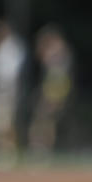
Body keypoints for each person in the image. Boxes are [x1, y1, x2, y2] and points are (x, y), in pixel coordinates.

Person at [0, 18, 28, 171]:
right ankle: (3, 154)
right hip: (3, 92)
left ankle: (7, 156)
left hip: (6, 93)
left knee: (4, 125)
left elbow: (9, 76)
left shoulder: (9, 49)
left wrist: (6, 93)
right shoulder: (5, 49)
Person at [28, 23, 74, 160]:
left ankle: (42, 149)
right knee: (44, 121)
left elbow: (59, 78)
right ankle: (41, 148)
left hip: (55, 90)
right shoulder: (60, 52)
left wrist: (55, 97)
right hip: (52, 89)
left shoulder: (59, 52)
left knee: (45, 121)